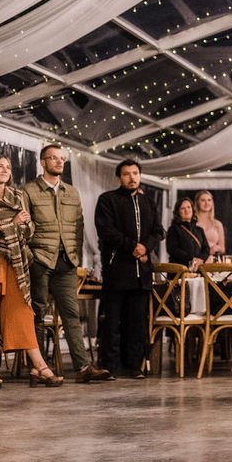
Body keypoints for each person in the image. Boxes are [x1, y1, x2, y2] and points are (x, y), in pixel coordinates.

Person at [0, 156, 63, 388]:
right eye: (0, 166)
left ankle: (39, 365)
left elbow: (28, 229)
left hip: (14, 260)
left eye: (9, 167)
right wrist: (12, 222)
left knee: (22, 311)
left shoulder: (18, 196)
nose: (5, 170)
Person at [23, 144, 112, 382]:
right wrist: (30, 257)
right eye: (53, 158)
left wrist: (76, 257)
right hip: (40, 260)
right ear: (42, 162)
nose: (59, 162)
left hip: (67, 262)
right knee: (38, 314)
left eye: (62, 159)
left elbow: (79, 227)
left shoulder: (71, 192)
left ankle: (83, 368)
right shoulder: (28, 191)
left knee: (71, 314)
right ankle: (39, 368)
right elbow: (21, 228)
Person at [95, 159, 164, 379]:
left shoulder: (149, 203)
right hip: (117, 271)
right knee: (112, 321)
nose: (132, 177)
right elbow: (106, 231)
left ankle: (134, 365)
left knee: (137, 322)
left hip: (141, 273)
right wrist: (132, 246)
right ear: (119, 177)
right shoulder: (108, 200)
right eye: (127, 174)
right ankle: (108, 366)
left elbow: (158, 231)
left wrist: (146, 247)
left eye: (135, 173)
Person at [166, 197, 211, 271]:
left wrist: (201, 259)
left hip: (198, 270)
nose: (186, 210)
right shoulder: (173, 229)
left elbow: (206, 248)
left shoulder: (199, 230)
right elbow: (172, 249)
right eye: (183, 208)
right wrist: (191, 259)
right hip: (179, 271)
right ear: (178, 212)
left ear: (192, 210)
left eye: (188, 207)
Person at [194, 190, 226, 260]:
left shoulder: (217, 224)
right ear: (197, 203)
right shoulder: (192, 223)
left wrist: (216, 248)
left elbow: (222, 248)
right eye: (203, 200)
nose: (206, 203)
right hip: (196, 259)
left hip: (212, 260)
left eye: (209, 200)